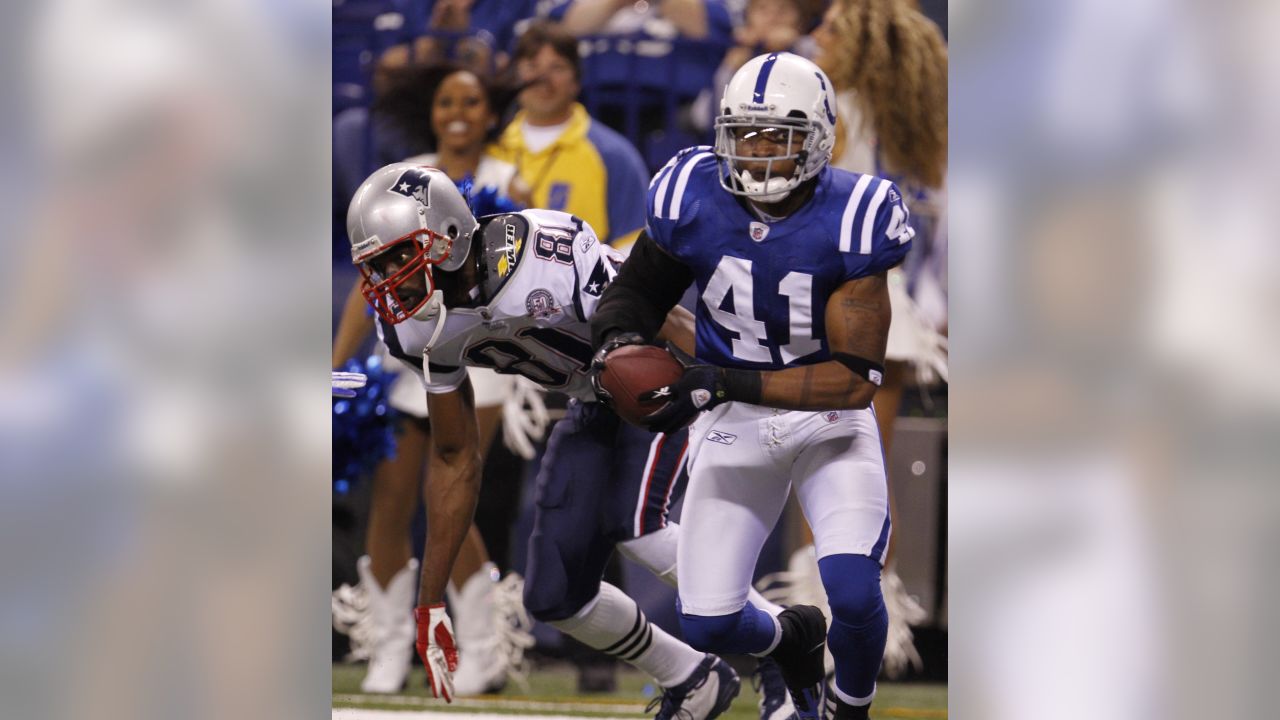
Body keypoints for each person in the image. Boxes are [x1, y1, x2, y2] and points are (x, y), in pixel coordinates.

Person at [344, 162, 796, 718]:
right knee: (555, 595)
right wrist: (431, 601)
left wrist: (745, 387)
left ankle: (785, 645)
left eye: (397, 256)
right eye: (376, 264)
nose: (390, 278)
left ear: (447, 236)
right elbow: (455, 456)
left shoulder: (540, 254)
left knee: (637, 524)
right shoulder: (416, 326)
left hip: (654, 376)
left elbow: (660, 318)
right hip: (593, 400)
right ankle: (693, 678)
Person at [589, 52, 915, 720]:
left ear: (818, 138)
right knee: (707, 623)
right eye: (745, 135)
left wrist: (715, 380)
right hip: (733, 415)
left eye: (779, 136)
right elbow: (636, 293)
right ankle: (792, 639)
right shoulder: (692, 193)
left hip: (824, 420)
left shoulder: (856, 215)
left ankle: (849, 707)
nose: (760, 152)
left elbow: (853, 383)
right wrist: (617, 346)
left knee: (852, 589)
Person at [331, 65, 534, 696]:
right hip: (406, 354)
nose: (458, 111)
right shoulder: (399, 178)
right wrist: (337, 364)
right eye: (447, 100)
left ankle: (480, 646)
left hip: (479, 359)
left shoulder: (506, 179)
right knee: (390, 502)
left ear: (486, 113)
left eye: (471, 101)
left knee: (450, 487)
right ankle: (390, 648)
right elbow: (368, 289)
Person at [491, 20, 650, 247]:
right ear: (516, 76)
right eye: (532, 66)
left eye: (557, 67)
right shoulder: (491, 148)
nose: (543, 79)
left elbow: (631, 252)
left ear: (576, 81)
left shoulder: (615, 156)